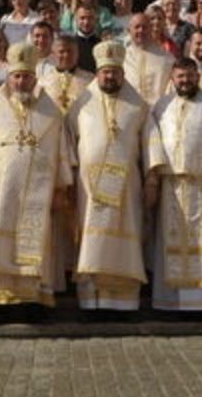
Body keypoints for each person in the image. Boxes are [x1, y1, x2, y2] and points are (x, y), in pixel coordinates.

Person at [0, 42, 75, 310]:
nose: (21, 81)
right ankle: (0, 304)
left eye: (26, 76)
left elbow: (61, 151)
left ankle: (33, 303)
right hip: (2, 194)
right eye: (16, 76)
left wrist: (61, 188)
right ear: (10, 78)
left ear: (35, 79)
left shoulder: (51, 112)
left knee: (35, 244)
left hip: (39, 193)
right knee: (1, 243)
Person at [63, 40, 153, 312]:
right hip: (88, 191)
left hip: (127, 189)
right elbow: (67, 144)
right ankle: (91, 304)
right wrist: (67, 179)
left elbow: (151, 144)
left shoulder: (138, 106)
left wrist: (153, 178)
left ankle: (122, 305)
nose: (110, 76)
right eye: (105, 72)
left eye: (114, 71)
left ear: (122, 73)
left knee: (123, 245)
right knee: (92, 242)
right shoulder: (81, 104)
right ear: (98, 73)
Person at [144, 57, 202, 312]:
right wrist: (153, 175)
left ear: (197, 76)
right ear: (172, 79)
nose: (185, 81)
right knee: (168, 244)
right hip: (171, 186)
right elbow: (152, 139)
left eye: (189, 76)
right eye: (180, 77)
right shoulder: (162, 105)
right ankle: (170, 304)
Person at [122, 11, 174, 102]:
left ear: (151, 29)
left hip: (158, 111)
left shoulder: (167, 59)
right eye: (137, 27)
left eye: (145, 27)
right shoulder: (122, 57)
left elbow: (171, 88)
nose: (141, 30)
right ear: (129, 30)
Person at [39, 33, 91, 115]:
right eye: (61, 51)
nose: (66, 55)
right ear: (53, 54)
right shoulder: (43, 82)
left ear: (77, 54)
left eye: (70, 51)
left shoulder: (90, 80)